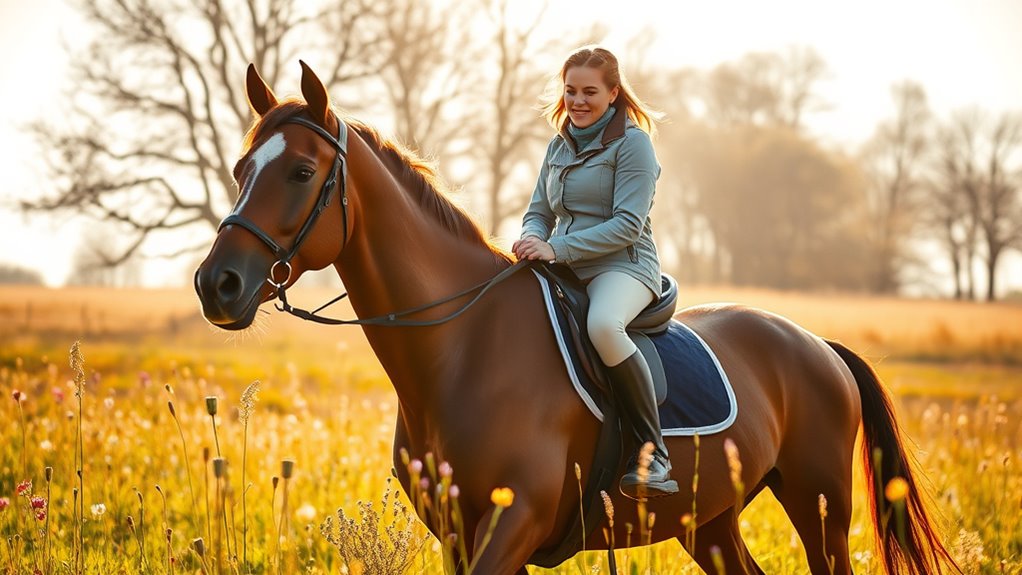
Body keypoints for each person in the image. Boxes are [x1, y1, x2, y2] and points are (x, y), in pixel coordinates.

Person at [512, 46, 678, 498]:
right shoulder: (558, 144)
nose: (578, 101)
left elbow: (627, 225)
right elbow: (537, 211)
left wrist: (554, 248)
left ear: (613, 93)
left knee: (603, 326)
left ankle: (654, 453)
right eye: (570, 91)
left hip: (623, 267)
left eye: (590, 92)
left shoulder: (634, 144)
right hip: (562, 263)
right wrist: (530, 239)